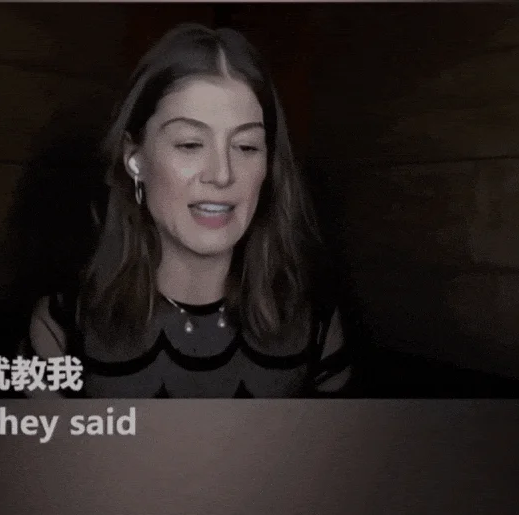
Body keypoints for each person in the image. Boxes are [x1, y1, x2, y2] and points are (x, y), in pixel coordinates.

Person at [20, 23, 352, 398]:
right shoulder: (61, 329)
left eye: (246, 146)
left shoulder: (318, 324)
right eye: (190, 144)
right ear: (135, 159)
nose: (222, 175)